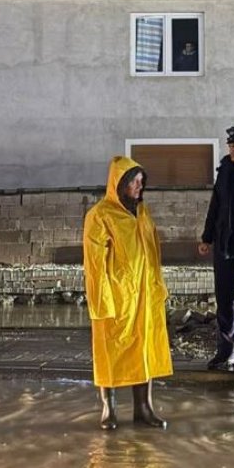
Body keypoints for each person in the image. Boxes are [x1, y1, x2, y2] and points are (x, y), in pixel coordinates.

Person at [83, 155, 172, 430]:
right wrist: (103, 302)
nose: (139, 186)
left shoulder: (142, 213)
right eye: (133, 181)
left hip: (145, 296)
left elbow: (153, 253)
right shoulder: (100, 216)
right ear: (119, 183)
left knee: (143, 349)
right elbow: (95, 265)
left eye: (141, 181)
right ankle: (109, 409)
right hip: (117, 296)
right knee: (111, 351)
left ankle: (143, 408)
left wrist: (158, 289)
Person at [198, 126, 234, 370]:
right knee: (224, 298)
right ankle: (226, 351)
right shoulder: (225, 171)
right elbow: (216, 205)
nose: (231, 150)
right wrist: (207, 236)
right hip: (224, 243)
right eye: (230, 146)